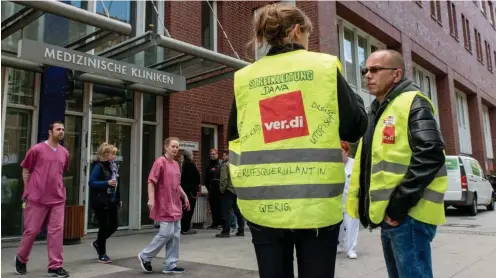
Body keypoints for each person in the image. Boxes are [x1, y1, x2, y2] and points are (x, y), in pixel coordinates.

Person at [227, 3, 367, 277]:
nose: (309, 40)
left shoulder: (245, 77)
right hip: (314, 206)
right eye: (307, 34)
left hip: (263, 205)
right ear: (295, 31)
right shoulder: (323, 66)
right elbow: (355, 126)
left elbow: (234, 134)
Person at [346, 49, 447, 278]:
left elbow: (431, 152)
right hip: (393, 216)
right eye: (365, 70)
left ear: (396, 74)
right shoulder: (379, 109)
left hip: (409, 215)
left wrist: (399, 205)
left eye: (375, 69)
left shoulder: (413, 102)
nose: (367, 75)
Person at [15, 121, 70, 277]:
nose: (61, 131)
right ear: (50, 132)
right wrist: (27, 190)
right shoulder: (36, 150)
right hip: (37, 198)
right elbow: (26, 170)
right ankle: (21, 258)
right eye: (58, 129)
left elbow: (61, 172)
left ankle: (55, 266)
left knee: (56, 232)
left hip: (58, 199)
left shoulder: (64, 152)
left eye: (63, 129)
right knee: (31, 231)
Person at [138, 137, 191, 274]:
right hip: (164, 204)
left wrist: (184, 196)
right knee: (165, 234)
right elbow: (151, 181)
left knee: (175, 236)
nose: (175, 149)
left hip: (175, 204)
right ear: (166, 147)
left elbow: (177, 184)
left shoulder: (175, 165)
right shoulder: (160, 162)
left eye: (177, 147)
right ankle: (145, 255)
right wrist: (151, 199)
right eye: (173, 146)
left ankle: (170, 264)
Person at [88, 143, 121, 263]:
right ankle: (102, 254)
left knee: (115, 225)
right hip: (101, 200)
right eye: (113, 153)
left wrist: (118, 198)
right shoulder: (99, 166)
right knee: (104, 226)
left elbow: (117, 183)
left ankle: (98, 243)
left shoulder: (113, 166)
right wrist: (106, 183)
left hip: (112, 200)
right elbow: (91, 182)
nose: (114, 156)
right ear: (106, 154)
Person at [337, 141, 359, 259]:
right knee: (339, 226)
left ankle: (351, 249)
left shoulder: (355, 164)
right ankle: (339, 245)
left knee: (352, 226)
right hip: (338, 201)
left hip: (351, 200)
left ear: (346, 152)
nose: (339, 154)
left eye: (341, 151)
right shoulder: (335, 165)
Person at [216, 149, 245, 238]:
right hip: (236, 191)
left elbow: (224, 179)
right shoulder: (237, 165)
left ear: (229, 156)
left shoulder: (225, 165)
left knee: (225, 211)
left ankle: (226, 231)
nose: (223, 157)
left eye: (224, 155)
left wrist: (221, 190)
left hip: (228, 191)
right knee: (237, 211)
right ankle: (241, 229)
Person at [180, 149, 200, 235]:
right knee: (189, 209)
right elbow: (197, 178)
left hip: (182, 190)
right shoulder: (191, 165)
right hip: (191, 191)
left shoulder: (181, 164)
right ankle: (186, 228)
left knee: (183, 209)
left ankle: (181, 227)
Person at [204, 148, 224, 229]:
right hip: (212, 190)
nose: (212, 155)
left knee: (220, 207)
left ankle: (221, 223)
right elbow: (206, 178)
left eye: (214, 154)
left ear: (217, 155)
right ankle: (215, 223)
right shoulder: (209, 165)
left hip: (219, 190)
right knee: (213, 207)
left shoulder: (221, 164)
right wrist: (208, 188)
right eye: (211, 154)